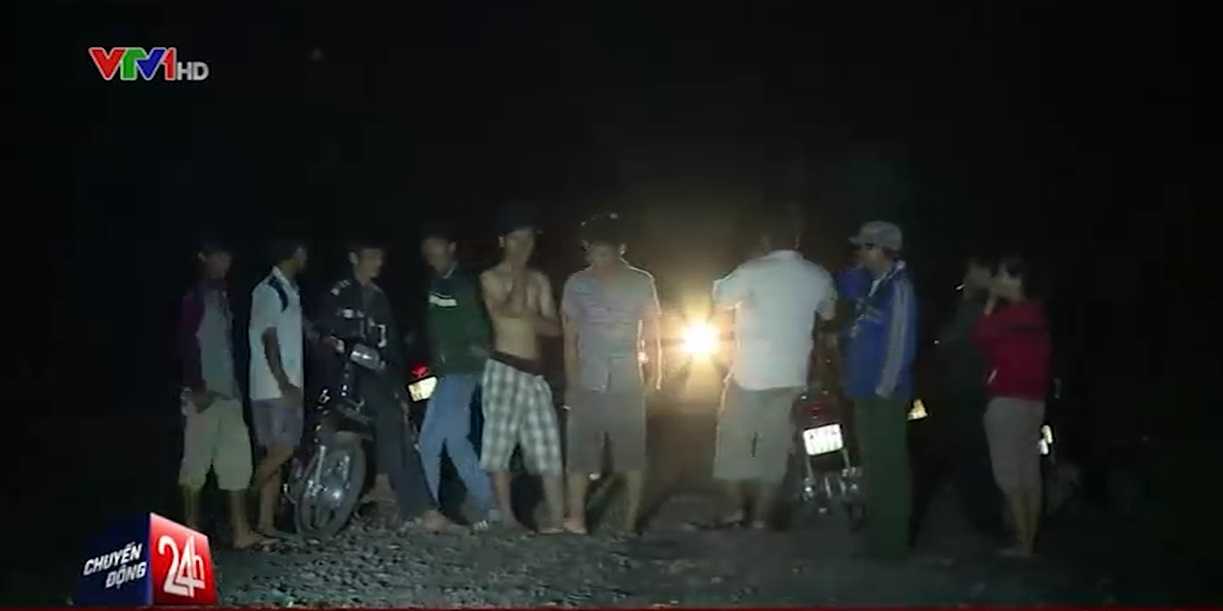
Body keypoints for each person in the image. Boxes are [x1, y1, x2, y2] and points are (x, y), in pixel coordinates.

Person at [315, 239, 462, 533]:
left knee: (399, 424)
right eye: (371, 256)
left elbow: (392, 349)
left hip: (376, 378)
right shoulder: (339, 293)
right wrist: (337, 346)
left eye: (380, 258)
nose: (378, 263)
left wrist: (401, 391)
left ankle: (406, 501)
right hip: (343, 378)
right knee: (389, 418)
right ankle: (406, 501)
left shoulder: (380, 298)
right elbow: (322, 333)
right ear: (354, 258)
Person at [707, 208, 837, 530]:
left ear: (765, 239)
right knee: (774, 450)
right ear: (797, 239)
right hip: (792, 375)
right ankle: (761, 519)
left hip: (748, 375)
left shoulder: (752, 270)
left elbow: (719, 299)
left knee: (732, 446)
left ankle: (734, 510)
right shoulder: (817, 275)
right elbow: (829, 313)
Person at [560, 212, 662, 535]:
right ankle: (577, 518)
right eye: (595, 251)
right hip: (589, 378)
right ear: (586, 248)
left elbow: (653, 334)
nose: (600, 259)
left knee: (631, 455)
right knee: (580, 452)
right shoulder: (577, 283)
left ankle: (629, 524)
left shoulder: (642, 281)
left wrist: (656, 376)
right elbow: (570, 339)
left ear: (621, 248)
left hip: (627, 378)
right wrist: (572, 384)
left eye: (606, 252)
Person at [176, 237, 270, 549]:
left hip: (228, 393)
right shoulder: (195, 297)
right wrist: (196, 386)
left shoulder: (222, 295)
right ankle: (189, 535)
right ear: (203, 258)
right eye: (218, 256)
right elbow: (186, 342)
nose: (225, 263)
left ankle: (241, 531)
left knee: (237, 465)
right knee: (195, 467)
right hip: (204, 394)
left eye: (227, 256)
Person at [478, 203, 566, 533]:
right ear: (502, 241)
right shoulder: (490, 278)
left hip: (534, 373)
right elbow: (508, 311)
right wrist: (517, 273)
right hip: (504, 368)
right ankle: (508, 518)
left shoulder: (539, 279)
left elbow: (554, 328)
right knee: (499, 446)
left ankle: (557, 521)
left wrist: (532, 316)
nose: (523, 246)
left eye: (528, 239)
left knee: (548, 445)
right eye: (516, 239)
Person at [842, 220, 918, 560]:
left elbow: (901, 341)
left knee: (890, 469)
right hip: (864, 389)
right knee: (873, 467)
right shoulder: (874, 285)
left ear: (881, 249)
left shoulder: (898, 288)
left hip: (885, 393)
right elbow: (845, 287)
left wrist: (885, 386)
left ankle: (892, 544)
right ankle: (878, 541)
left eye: (865, 247)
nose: (859, 252)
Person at [418, 224, 498, 528]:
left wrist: (479, 358)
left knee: (435, 441)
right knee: (451, 443)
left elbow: (479, 333)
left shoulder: (463, 284)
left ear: (451, 247)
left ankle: (429, 509)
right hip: (445, 373)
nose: (431, 254)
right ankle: (489, 504)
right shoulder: (436, 283)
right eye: (427, 250)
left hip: (463, 371)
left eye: (436, 247)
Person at [972, 255, 1051, 559]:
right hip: (1034, 403)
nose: (998, 280)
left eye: (1002, 275)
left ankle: (1024, 544)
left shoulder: (1009, 318)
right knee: (1030, 474)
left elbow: (979, 335)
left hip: (1006, 401)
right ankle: (1029, 540)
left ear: (1015, 280)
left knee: (1009, 476)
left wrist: (992, 299)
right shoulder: (1037, 316)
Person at [931, 255, 1004, 537]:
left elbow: (948, 341)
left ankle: (986, 519)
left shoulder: (977, 308)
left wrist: (945, 341)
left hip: (970, 389)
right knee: (977, 454)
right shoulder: (979, 306)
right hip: (974, 388)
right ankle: (988, 517)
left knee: (972, 455)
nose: (967, 275)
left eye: (973, 270)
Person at [248, 238, 309, 537]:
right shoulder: (270, 290)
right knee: (285, 449)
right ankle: (243, 498)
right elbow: (268, 338)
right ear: (295, 253)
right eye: (304, 252)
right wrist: (284, 382)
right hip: (275, 387)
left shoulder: (288, 290)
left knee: (275, 454)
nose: (306, 257)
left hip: (273, 386)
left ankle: (265, 523)